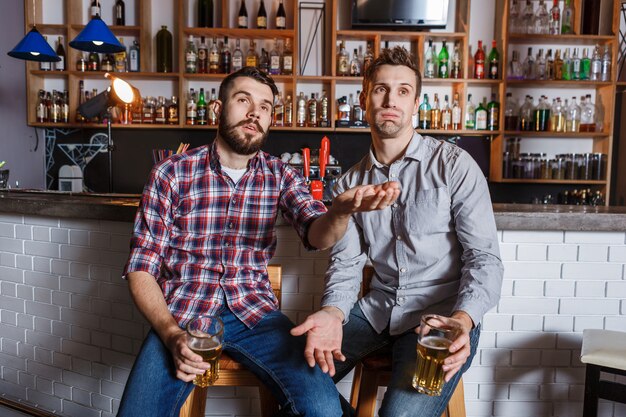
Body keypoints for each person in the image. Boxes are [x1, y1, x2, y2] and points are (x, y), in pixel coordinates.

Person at [117, 66, 400, 417]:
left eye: (265, 107)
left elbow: (317, 233)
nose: (255, 113)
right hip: (183, 317)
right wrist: (171, 334)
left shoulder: (281, 175)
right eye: (243, 100)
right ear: (217, 110)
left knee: (324, 409)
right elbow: (140, 269)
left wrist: (339, 212)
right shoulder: (171, 173)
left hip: (256, 314)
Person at [291, 47, 504, 417]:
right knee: (291, 380)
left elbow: (484, 258)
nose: (391, 100)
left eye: (403, 91)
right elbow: (345, 266)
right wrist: (331, 312)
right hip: (377, 311)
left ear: (417, 102)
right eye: (380, 89)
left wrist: (463, 320)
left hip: (441, 318)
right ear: (363, 98)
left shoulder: (454, 166)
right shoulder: (349, 184)